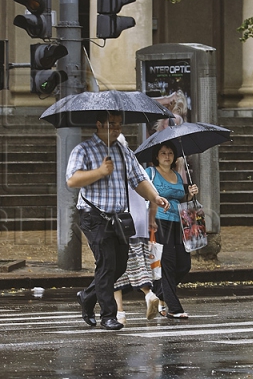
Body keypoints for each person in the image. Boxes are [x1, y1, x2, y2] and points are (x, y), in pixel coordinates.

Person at [67, 111, 170, 331]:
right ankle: (108, 315)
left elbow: (138, 180)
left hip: (118, 218)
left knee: (120, 264)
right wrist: (100, 171)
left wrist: (154, 197)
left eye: (119, 125)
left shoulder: (124, 152)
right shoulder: (83, 150)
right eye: (111, 124)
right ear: (99, 124)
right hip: (93, 215)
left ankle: (87, 296)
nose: (116, 128)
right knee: (106, 263)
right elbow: (73, 179)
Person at [112, 134, 160, 325]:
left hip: (120, 223)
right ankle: (148, 294)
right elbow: (153, 194)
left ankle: (121, 312)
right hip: (139, 223)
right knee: (138, 263)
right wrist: (151, 219)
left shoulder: (114, 167)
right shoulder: (138, 165)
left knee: (115, 268)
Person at [147, 141, 198, 319]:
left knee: (184, 264)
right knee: (167, 263)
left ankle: (156, 294)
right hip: (159, 221)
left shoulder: (177, 175)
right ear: (156, 156)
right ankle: (174, 308)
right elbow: (143, 195)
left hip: (179, 222)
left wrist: (189, 194)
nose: (167, 156)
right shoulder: (150, 173)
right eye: (163, 153)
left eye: (170, 153)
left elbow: (180, 198)